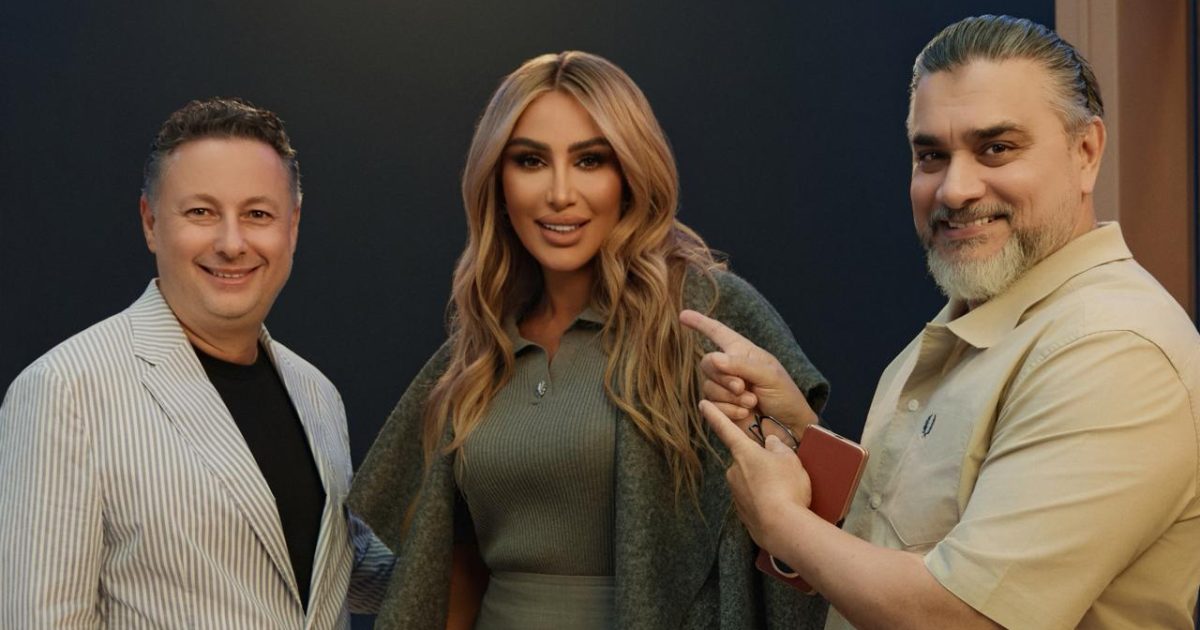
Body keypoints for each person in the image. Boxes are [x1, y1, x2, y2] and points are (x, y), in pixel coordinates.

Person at [687, 14, 1200, 630]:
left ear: (1086, 152)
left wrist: (782, 523)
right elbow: (895, 546)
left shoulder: (1112, 349)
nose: (954, 189)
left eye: (996, 148)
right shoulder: (978, 320)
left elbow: (966, 617)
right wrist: (797, 435)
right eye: (931, 155)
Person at [347, 51, 828, 629]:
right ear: (497, 180)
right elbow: (453, 567)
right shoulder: (475, 352)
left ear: (630, 174)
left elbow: (819, 516)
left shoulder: (707, 314)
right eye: (530, 160)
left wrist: (797, 429)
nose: (559, 193)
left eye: (590, 160)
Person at [0, 97, 393, 628]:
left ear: (293, 227)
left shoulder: (317, 393)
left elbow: (331, 566)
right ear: (150, 222)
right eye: (201, 212)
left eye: (257, 214)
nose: (232, 243)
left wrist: (493, 525)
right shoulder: (65, 389)